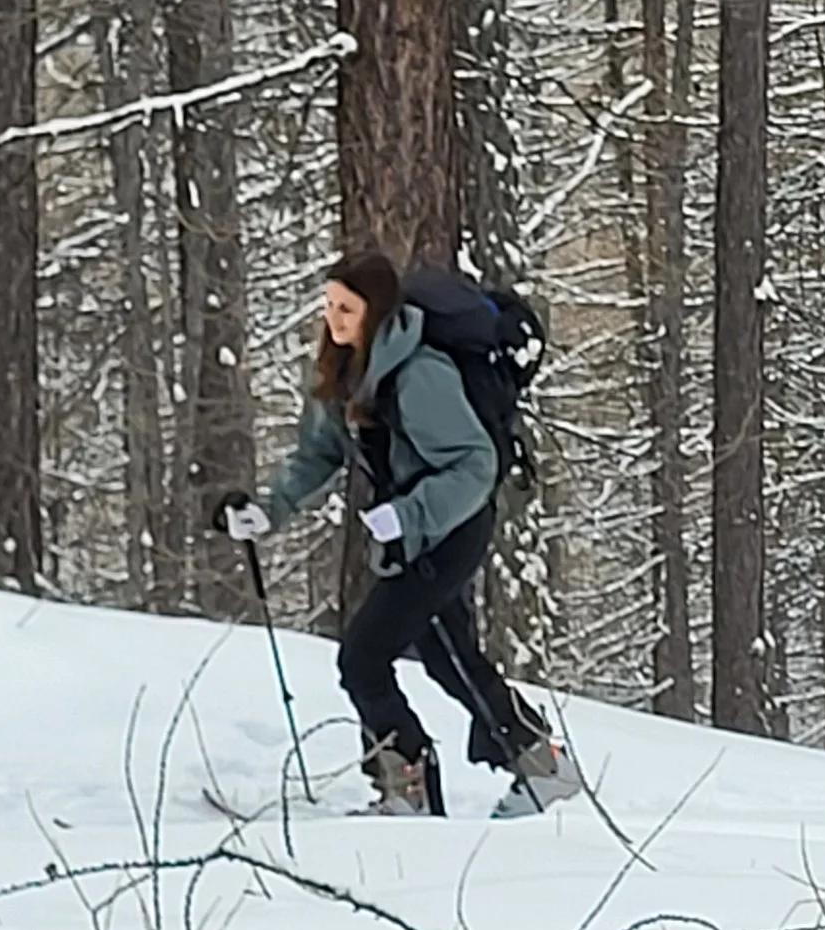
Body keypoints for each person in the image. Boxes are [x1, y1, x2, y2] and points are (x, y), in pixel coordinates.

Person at [218, 248, 581, 816]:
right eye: (329, 304)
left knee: (363, 658)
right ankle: (541, 764)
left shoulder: (419, 374)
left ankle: (412, 787)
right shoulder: (345, 372)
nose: (333, 318)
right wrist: (270, 511)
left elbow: (475, 465)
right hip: (413, 532)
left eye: (347, 308)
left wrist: (407, 515)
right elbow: (317, 455)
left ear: (377, 311)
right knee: (449, 657)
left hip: (452, 527)